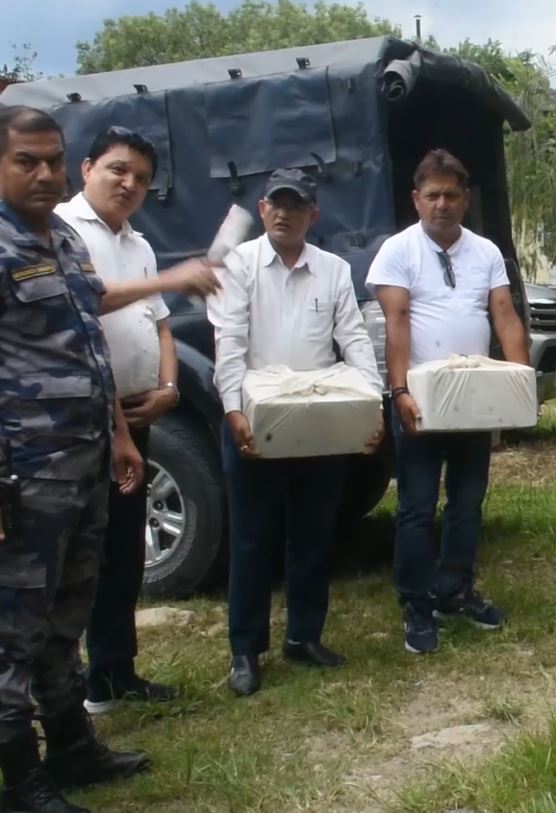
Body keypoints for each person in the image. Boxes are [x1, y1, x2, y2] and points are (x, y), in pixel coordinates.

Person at [0, 106, 149, 812]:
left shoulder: (61, 235)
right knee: (11, 633)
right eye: (27, 160)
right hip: (21, 472)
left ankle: (72, 747)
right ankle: (20, 781)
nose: (45, 173)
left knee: (66, 614)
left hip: (84, 466)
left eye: (54, 159)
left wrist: (118, 434)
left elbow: (90, 343)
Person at [55, 126, 221, 714]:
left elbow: (158, 325)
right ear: (87, 168)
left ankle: (113, 673)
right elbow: (88, 300)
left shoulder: (138, 242)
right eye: (118, 170)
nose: (129, 184)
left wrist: (169, 387)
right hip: (80, 417)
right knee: (79, 556)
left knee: (126, 550)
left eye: (142, 178)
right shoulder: (62, 230)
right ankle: (63, 690)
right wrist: (175, 277)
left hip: (138, 410)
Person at [214, 168, 383, 696]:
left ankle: (304, 636)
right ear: (262, 209)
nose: (285, 213)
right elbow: (229, 341)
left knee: (313, 534)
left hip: (317, 420)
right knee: (251, 538)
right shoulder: (239, 264)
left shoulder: (332, 270)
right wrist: (233, 408)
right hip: (255, 419)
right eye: (276, 204)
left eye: (297, 205)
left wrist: (371, 403)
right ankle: (245, 651)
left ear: (314, 213)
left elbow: (353, 338)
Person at [367, 149, 530, 655]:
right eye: (432, 195)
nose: (442, 204)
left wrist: (519, 389)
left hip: (474, 398)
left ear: (466, 199)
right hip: (421, 397)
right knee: (417, 506)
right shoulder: (397, 250)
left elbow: (504, 316)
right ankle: (416, 603)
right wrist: (398, 392)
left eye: (451, 195)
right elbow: (397, 324)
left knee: (466, 501)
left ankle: (455, 589)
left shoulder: (485, 252)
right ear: (416, 200)